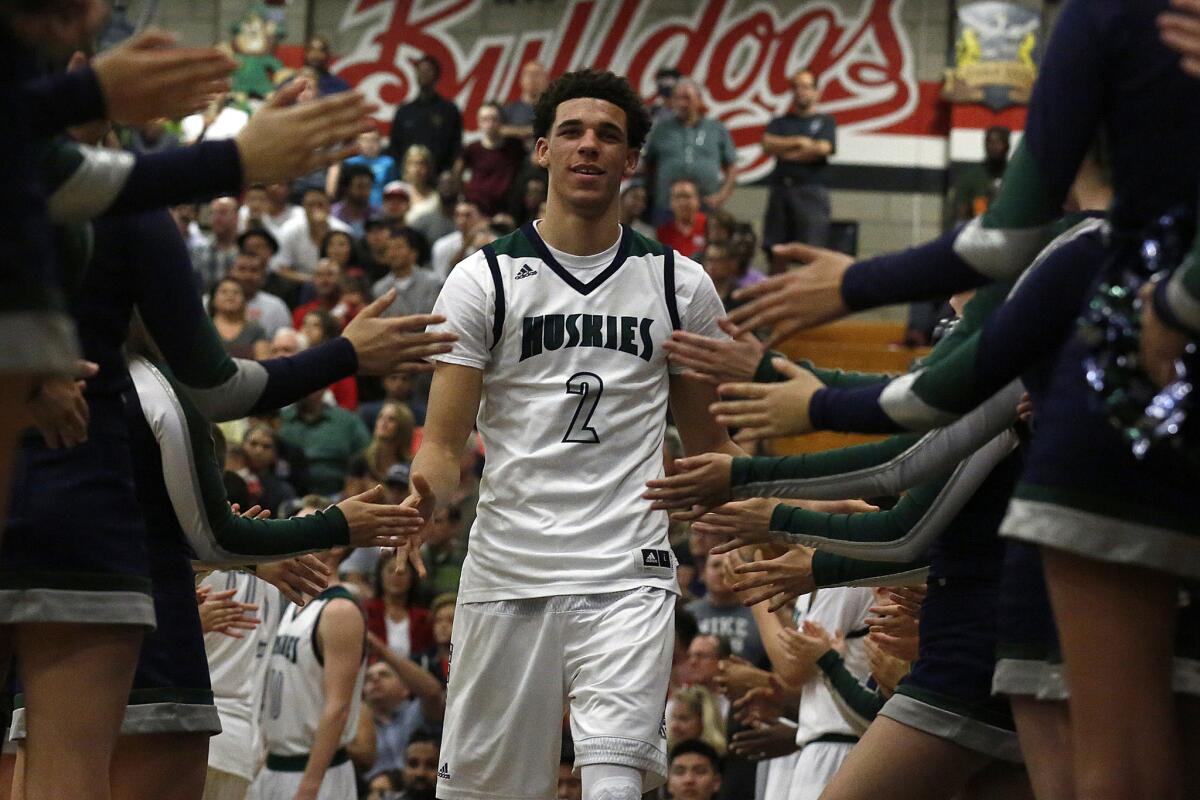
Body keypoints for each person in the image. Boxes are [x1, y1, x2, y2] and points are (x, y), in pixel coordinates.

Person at [406, 68, 739, 800]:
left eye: (609, 135)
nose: (590, 146)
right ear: (543, 150)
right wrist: (422, 496)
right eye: (573, 132)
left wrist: (759, 521)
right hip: (508, 564)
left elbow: (708, 444)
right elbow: (442, 441)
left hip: (628, 565)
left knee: (615, 785)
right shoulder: (480, 279)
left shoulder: (679, 284)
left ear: (631, 162)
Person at [253, 548, 366, 800]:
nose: (295, 539)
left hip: (316, 775)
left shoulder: (340, 611)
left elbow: (338, 707)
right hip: (274, 765)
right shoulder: (296, 606)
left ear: (335, 548)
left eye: (308, 529)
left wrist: (310, 786)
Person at [761, 68, 836, 269]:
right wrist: (800, 142)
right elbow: (768, 144)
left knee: (812, 252)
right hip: (781, 190)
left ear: (816, 92)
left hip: (812, 191)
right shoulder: (780, 122)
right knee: (776, 250)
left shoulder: (825, 122)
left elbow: (823, 148)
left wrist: (785, 151)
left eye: (806, 86)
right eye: (796, 87)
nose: (801, 91)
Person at [641, 78, 737, 216]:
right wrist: (652, 195)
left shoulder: (716, 129)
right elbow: (649, 165)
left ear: (699, 100)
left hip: (707, 206)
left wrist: (722, 196)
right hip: (667, 207)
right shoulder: (661, 130)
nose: (681, 103)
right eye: (677, 98)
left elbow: (731, 168)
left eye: (687, 98)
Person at [279, 388, 372, 495]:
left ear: (323, 388)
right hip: (288, 494)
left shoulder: (347, 421)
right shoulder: (280, 420)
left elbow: (366, 456)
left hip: (339, 494)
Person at [685, 553, 768, 667]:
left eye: (730, 566)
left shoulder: (762, 614)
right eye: (716, 565)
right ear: (702, 574)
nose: (722, 572)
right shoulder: (686, 614)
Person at [361, 660, 440, 779]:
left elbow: (434, 693)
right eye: (368, 678)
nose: (375, 679)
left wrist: (383, 652)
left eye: (384, 675)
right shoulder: (360, 727)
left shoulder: (417, 711)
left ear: (406, 688)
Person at [389, 54, 463, 175]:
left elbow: (456, 147)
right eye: (420, 70)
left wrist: (451, 174)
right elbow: (394, 148)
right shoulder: (404, 112)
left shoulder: (449, 110)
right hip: (409, 178)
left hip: (440, 178)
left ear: (437, 75)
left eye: (428, 70)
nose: (423, 74)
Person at [456, 100, 525, 215]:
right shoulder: (472, 148)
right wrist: (464, 194)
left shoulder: (514, 146)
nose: (490, 124)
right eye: (484, 120)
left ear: (501, 121)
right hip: (476, 207)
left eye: (494, 119)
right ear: (479, 123)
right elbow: (457, 172)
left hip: (505, 210)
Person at [276, 187, 354, 283]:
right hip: (300, 283)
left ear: (329, 207)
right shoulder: (289, 229)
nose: (315, 209)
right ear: (303, 207)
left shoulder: (344, 231)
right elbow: (282, 269)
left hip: (337, 282)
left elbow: (352, 268)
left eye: (320, 205)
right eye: (310, 205)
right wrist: (315, 280)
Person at [371, 228, 443, 318]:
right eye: (388, 249)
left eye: (398, 247)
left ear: (413, 253)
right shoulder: (380, 288)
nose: (392, 253)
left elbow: (436, 315)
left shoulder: (432, 282)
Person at [948, 126, 1010, 225]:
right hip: (977, 233)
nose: (994, 147)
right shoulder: (970, 178)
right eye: (990, 142)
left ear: (1007, 146)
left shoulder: (1014, 177)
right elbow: (960, 217)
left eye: (999, 142)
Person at [229, 245, 292, 339]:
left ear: (263, 276)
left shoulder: (277, 307)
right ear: (231, 272)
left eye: (253, 270)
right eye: (242, 269)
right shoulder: (210, 301)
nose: (247, 275)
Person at [300, 309, 359, 409]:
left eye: (315, 325)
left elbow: (348, 408)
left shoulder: (340, 368)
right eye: (305, 324)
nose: (307, 329)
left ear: (327, 334)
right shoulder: (293, 359)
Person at [240, 423, 298, 515]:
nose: (258, 451)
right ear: (242, 446)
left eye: (266, 446)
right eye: (253, 444)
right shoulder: (228, 480)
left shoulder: (284, 491)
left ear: (275, 454)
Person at [335, 130, 399, 209]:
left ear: (380, 142)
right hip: (354, 206)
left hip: (380, 208)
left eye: (374, 140)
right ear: (358, 142)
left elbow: (392, 187)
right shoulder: (349, 163)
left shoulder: (388, 163)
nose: (370, 144)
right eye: (365, 140)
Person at [209, 276, 269, 359]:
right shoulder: (206, 329)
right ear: (213, 300)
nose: (230, 296)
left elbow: (263, 363)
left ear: (244, 300)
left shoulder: (255, 329)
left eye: (236, 292)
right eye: (224, 292)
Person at [191, 196, 241, 291]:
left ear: (236, 216)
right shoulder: (198, 251)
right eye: (213, 213)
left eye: (222, 213)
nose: (216, 218)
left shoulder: (245, 250)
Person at [430, 199, 485, 280]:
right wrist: (465, 246)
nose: (462, 221)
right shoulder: (442, 245)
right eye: (458, 215)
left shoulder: (492, 241)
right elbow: (443, 277)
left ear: (480, 216)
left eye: (468, 215)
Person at [501, 60, 549, 148]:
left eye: (537, 74)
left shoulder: (554, 108)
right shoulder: (509, 109)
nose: (533, 79)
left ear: (546, 79)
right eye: (529, 74)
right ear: (521, 80)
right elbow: (499, 130)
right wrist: (533, 130)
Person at [656, 178, 706, 257]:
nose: (682, 202)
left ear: (698, 200)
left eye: (687, 196)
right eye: (677, 197)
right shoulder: (663, 233)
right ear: (670, 202)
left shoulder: (710, 226)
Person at [238, 182, 304, 241]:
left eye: (281, 184)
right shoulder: (243, 212)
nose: (275, 187)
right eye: (252, 199)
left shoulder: (299, 213)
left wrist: (263, 222)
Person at [409, 171, 461, 246]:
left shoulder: (467, 220)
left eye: (451, 183)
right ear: (437, 188)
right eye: (443, 184)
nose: (447, 187)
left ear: (459, 187)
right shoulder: (425, 220)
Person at [292, 258, 344, 330]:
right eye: (319, 275)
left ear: (340, 278)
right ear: (313, 280)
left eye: (330, 274)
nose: (324, 280)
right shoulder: (301, 313)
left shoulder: (352, 310)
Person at [332, 163, 379, 237]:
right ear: (347, 188)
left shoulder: (376, 215)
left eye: (368, 186)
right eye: (360, 187)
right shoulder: (333, 214)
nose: (365, 191)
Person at [400, 145, 440, 224]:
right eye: (412, 163)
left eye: (421, 164)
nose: (417, 169)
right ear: (406, 166)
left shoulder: (436, 198)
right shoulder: (398, 192)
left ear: (428, 167)